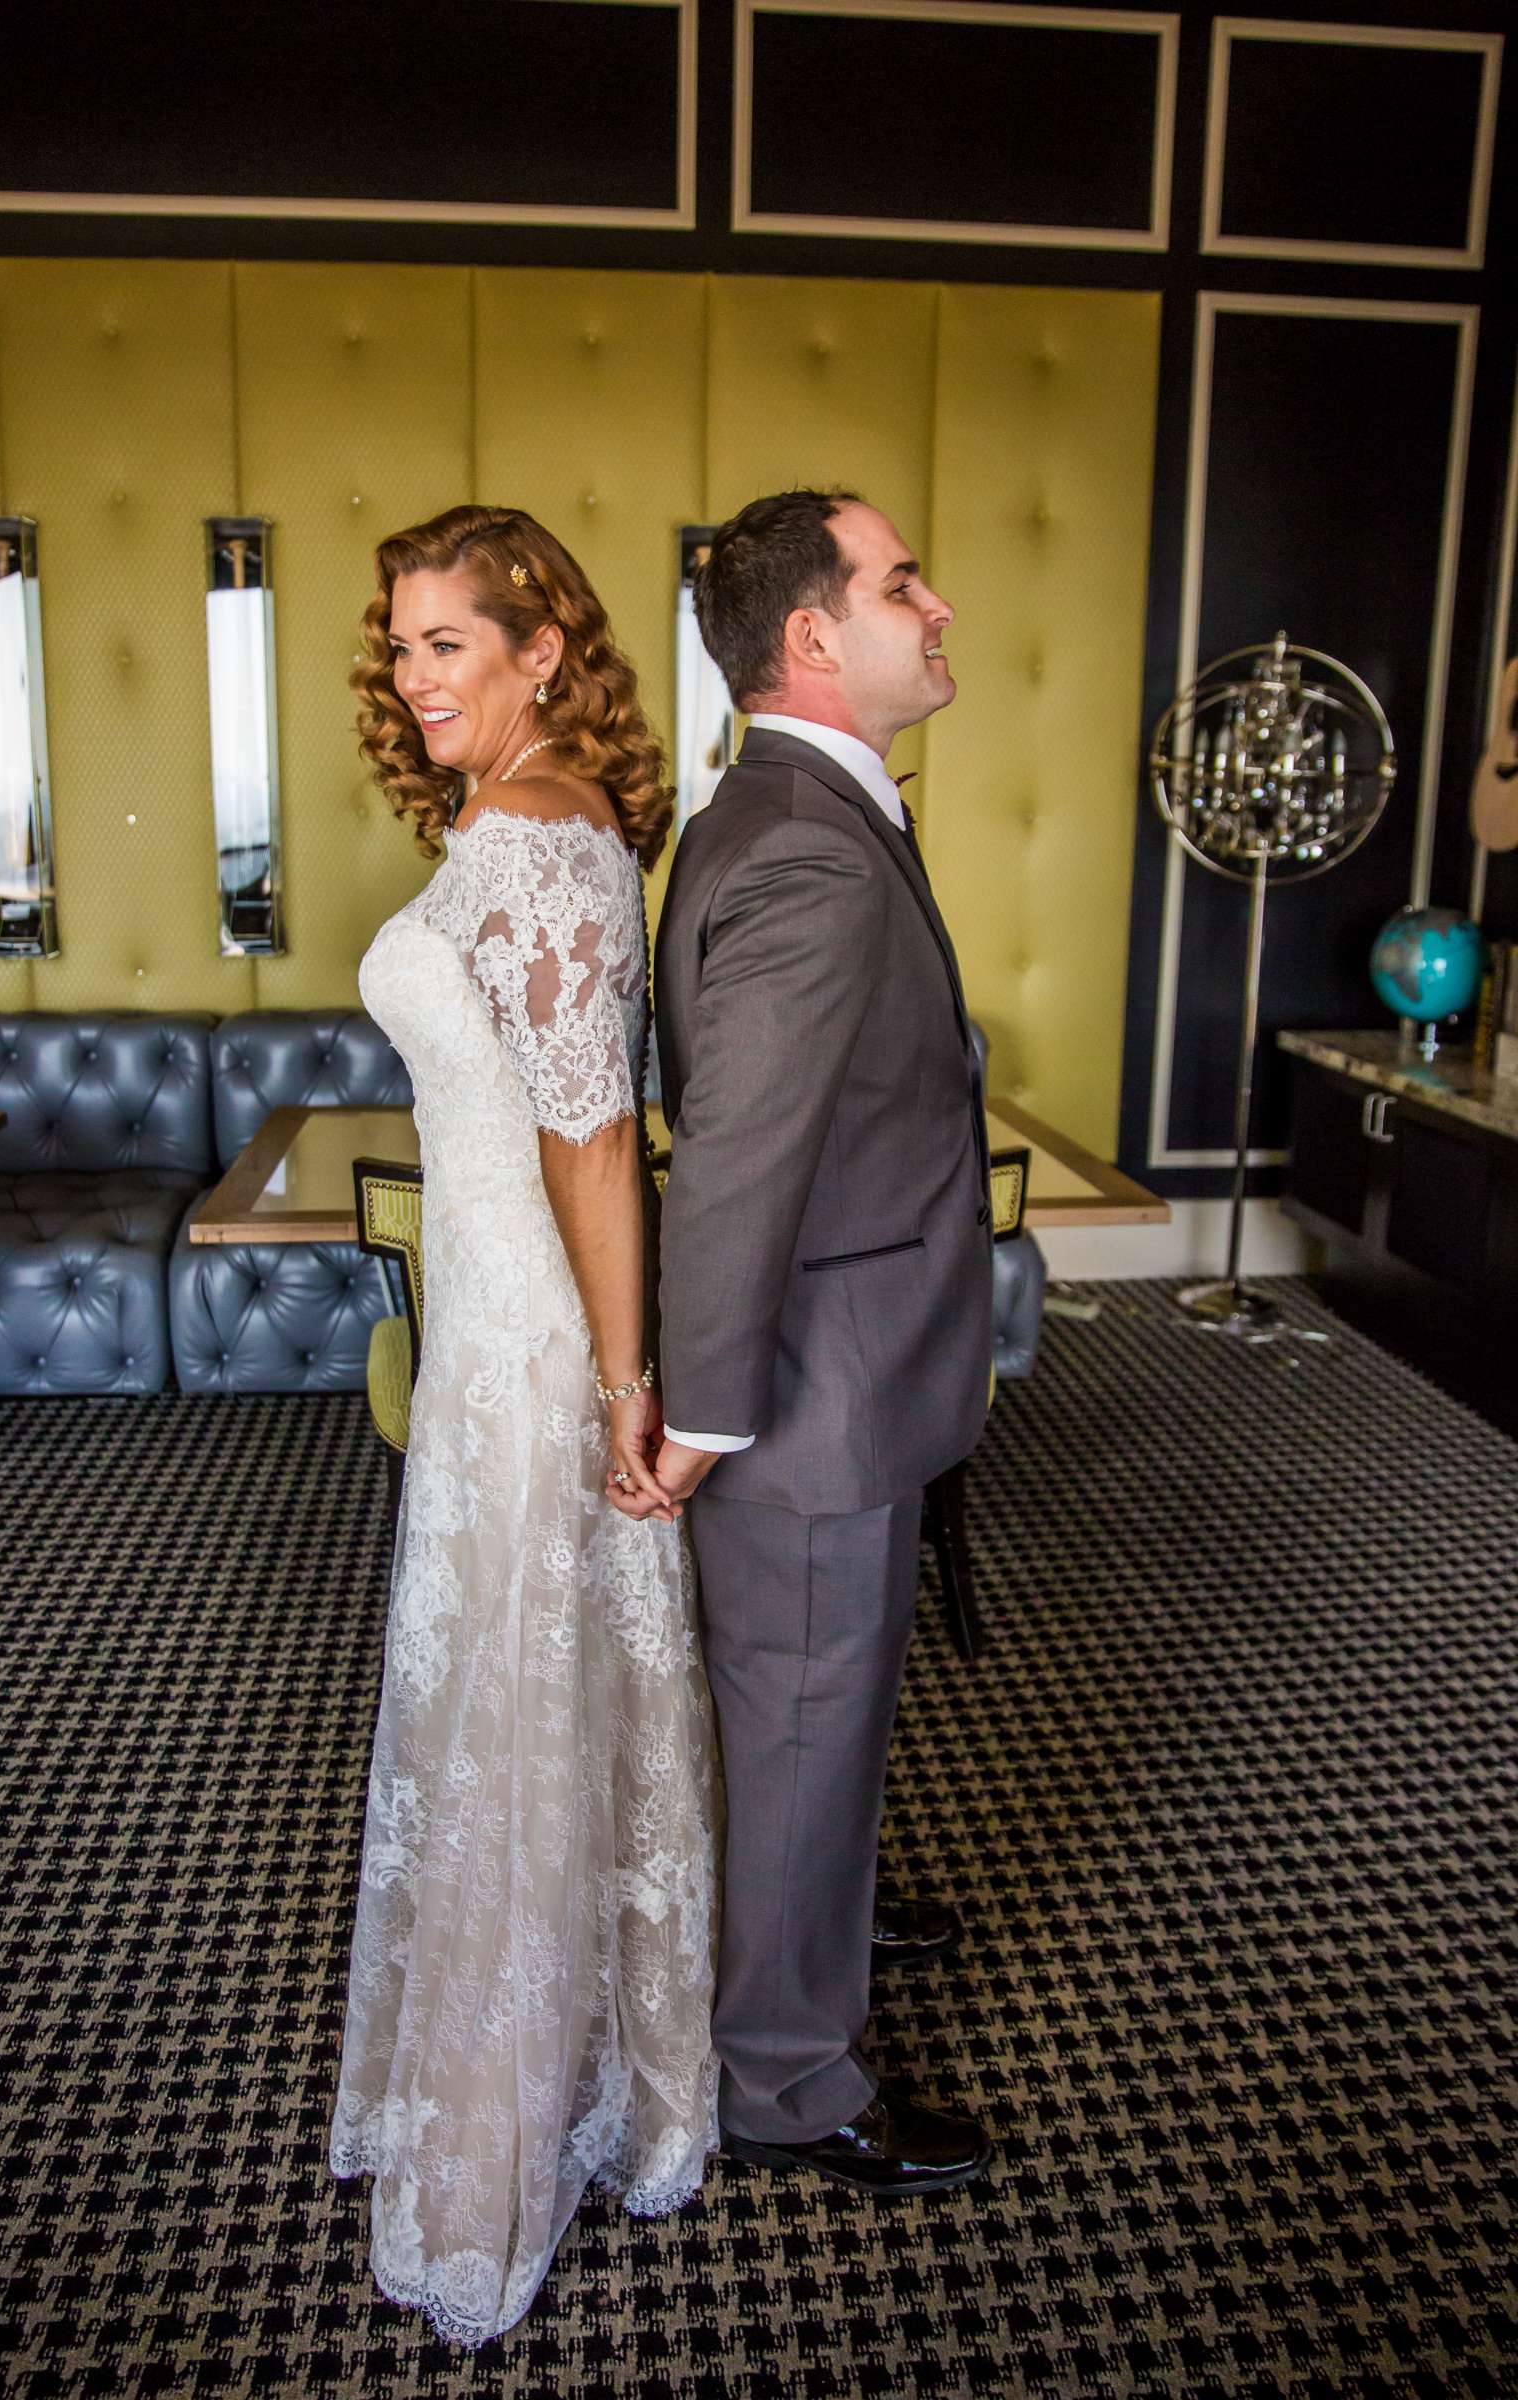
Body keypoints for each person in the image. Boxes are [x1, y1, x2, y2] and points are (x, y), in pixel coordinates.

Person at [330, 505, 720, 2347]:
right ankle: (521, 2077)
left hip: (534, 1343)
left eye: (448, 647)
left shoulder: (547, 842)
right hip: (492, 1313)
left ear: (540, 651)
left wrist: (631, 1390)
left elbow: (594, 1147)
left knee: (523, 1692)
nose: (415, 682)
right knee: (509, 1696)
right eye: (402, 648)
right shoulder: (515, 824)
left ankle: (501, 2136)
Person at [649, 488, 996, 2195]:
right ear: (811, 635)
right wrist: (708, 1409)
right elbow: (735, 1158)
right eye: (903, 581)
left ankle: (828, 1913)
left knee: (823, 1721)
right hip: (804, 1396)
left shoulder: (796, 808)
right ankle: (786, 2085)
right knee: (797, 1722)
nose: (937, 608)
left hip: (847, 1366)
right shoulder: (798, 836)